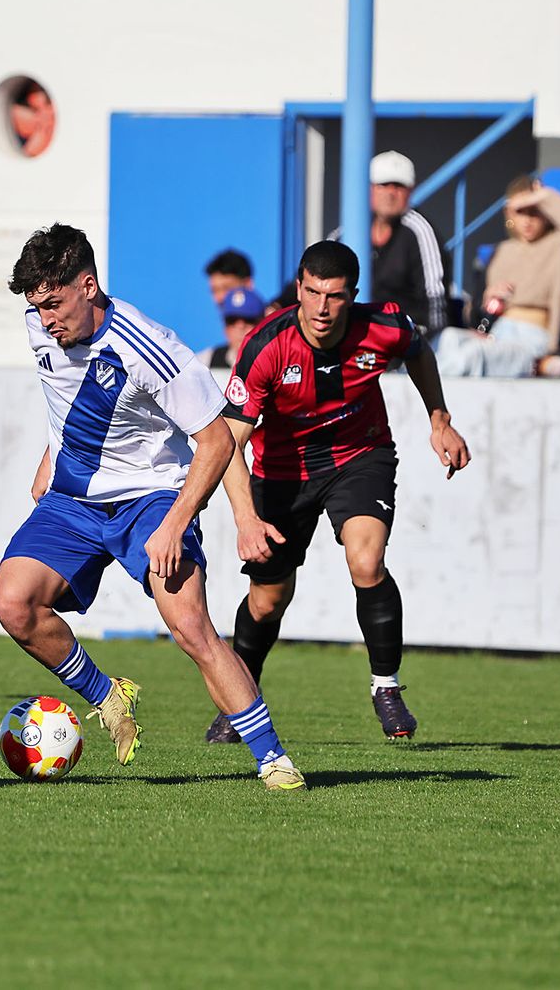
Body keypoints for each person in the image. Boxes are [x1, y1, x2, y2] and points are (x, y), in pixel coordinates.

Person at [0, 223, 307, 793]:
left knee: (191, 629)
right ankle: (107, 695)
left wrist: (180, 522)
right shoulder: (41, 325)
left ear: (88, 286)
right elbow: (69, 398)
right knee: (13, 603)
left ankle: (273, 759)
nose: (45, 319)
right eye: (36, 307)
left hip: (152, 499)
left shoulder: (151, 349)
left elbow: (217, 440)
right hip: (74, 499)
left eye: (54, 303)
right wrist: (50, 454)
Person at [209, 240, 471, 743]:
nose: (321, 307)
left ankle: (386, 687)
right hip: (282, 473)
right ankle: (239, 701)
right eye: (312, 292)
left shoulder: (385, 325)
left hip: (360, 457)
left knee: (366, 562)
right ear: (299, 288)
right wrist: (245, 519)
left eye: (333, 296)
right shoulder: (266, 346)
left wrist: (439, 419)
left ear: (352, 294)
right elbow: (228, 443)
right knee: (267, 601)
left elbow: (419, 351)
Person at [433, 176, 560, 377]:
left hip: (531, 338)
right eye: (520, 211)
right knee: (448, 338)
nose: (528, 220)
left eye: (534, 211)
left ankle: (414, 391)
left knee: (473, 355)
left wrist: (542, 196)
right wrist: (487, 298)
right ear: (509, 213)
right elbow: (474, 316)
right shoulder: (500, 251)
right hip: (497, 332)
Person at [329, 151, 448, 335]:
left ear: (410, 191)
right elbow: (319, 273)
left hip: (404, 337)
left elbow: (434, 298)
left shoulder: (420, 231)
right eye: (383, 185)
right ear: (370, 189)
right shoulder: (348, 232)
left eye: (399, 186)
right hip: (350, 333)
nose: (391, 193)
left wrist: (425, 340)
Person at [207, 285, 264, 369]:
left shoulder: (277, 362)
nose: (240, 327)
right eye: (232, 320)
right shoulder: (206, 362)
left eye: (249, 320)